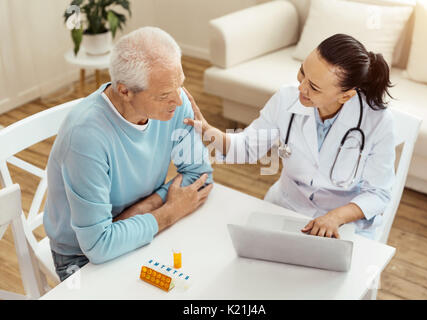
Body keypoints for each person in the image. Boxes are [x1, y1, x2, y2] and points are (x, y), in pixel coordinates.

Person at [184, 33, 396, 240]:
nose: (301, 88)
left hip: (345, 226)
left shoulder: (377, 122)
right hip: (286, 207)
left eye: (313, 87)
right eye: (302, 72)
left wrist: (335, 217)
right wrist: (209, 132)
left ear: (346, 95)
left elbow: (378, 193)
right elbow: (247, 147)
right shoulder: (286, 99)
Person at [44, 27, 213, 282]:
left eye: (180, 84)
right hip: (80, 256)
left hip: (138, 225)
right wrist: (169, 211)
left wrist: (142, 210)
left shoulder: (174, 104)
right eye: (165, 95)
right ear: (124, 91)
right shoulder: (85, 136)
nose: (179, 102)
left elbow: (200, 175)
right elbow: (99, 246)